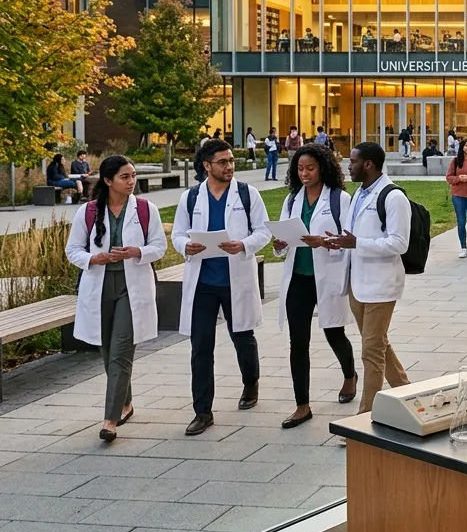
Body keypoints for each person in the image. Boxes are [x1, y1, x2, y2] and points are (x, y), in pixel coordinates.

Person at [171, 139, 271, 436]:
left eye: (231, 161)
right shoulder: (190, 198)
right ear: (206, 166)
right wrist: (185, 246)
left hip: (234, 277)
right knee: (200, 346)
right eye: (223, 162)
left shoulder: (247, 194)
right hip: (202, 282)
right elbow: (177, 234)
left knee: (242, 336)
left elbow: (264, 230)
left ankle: (250, 383)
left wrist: (243, 244)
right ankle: (202, 411)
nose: (229, 166)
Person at [65, 156, 167, 442]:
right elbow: (72, 250)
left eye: (133, 175)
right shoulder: (88, 212)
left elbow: (159, 246)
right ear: (108, 181)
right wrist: (93, 258)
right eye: (125, 177)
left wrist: (137, 252)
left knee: (121, 351)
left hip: (131, 287)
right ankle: (126, 402)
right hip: (99, 286)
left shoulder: (147, 209)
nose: (131, 181)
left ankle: (110, 420)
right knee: (108, 353)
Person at [271, 144, 358, 428]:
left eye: (310, 168)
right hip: (298, 277)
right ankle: (302, 405)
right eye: (300, 169)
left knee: (334, 332)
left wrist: (325, 242)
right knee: (298, 342)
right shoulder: (293, 199)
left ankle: (349, 374)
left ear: (323, 168)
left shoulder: (339, 199)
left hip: (327, 275)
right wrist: (280, 243)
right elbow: (284, 234)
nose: (305, 174)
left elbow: (349, 239)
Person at [323, 142, 411, 414]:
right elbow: (354, 237)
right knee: (379, 344)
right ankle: (408, 394)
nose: (347, 166)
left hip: (381, 285)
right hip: (357, 285)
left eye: (352, 161)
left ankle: (364, 420)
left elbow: (399, 243)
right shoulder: (359, 194)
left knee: (370, 353)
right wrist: (339, 242)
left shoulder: (393, 197)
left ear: (368, 164)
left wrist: (356, 243)